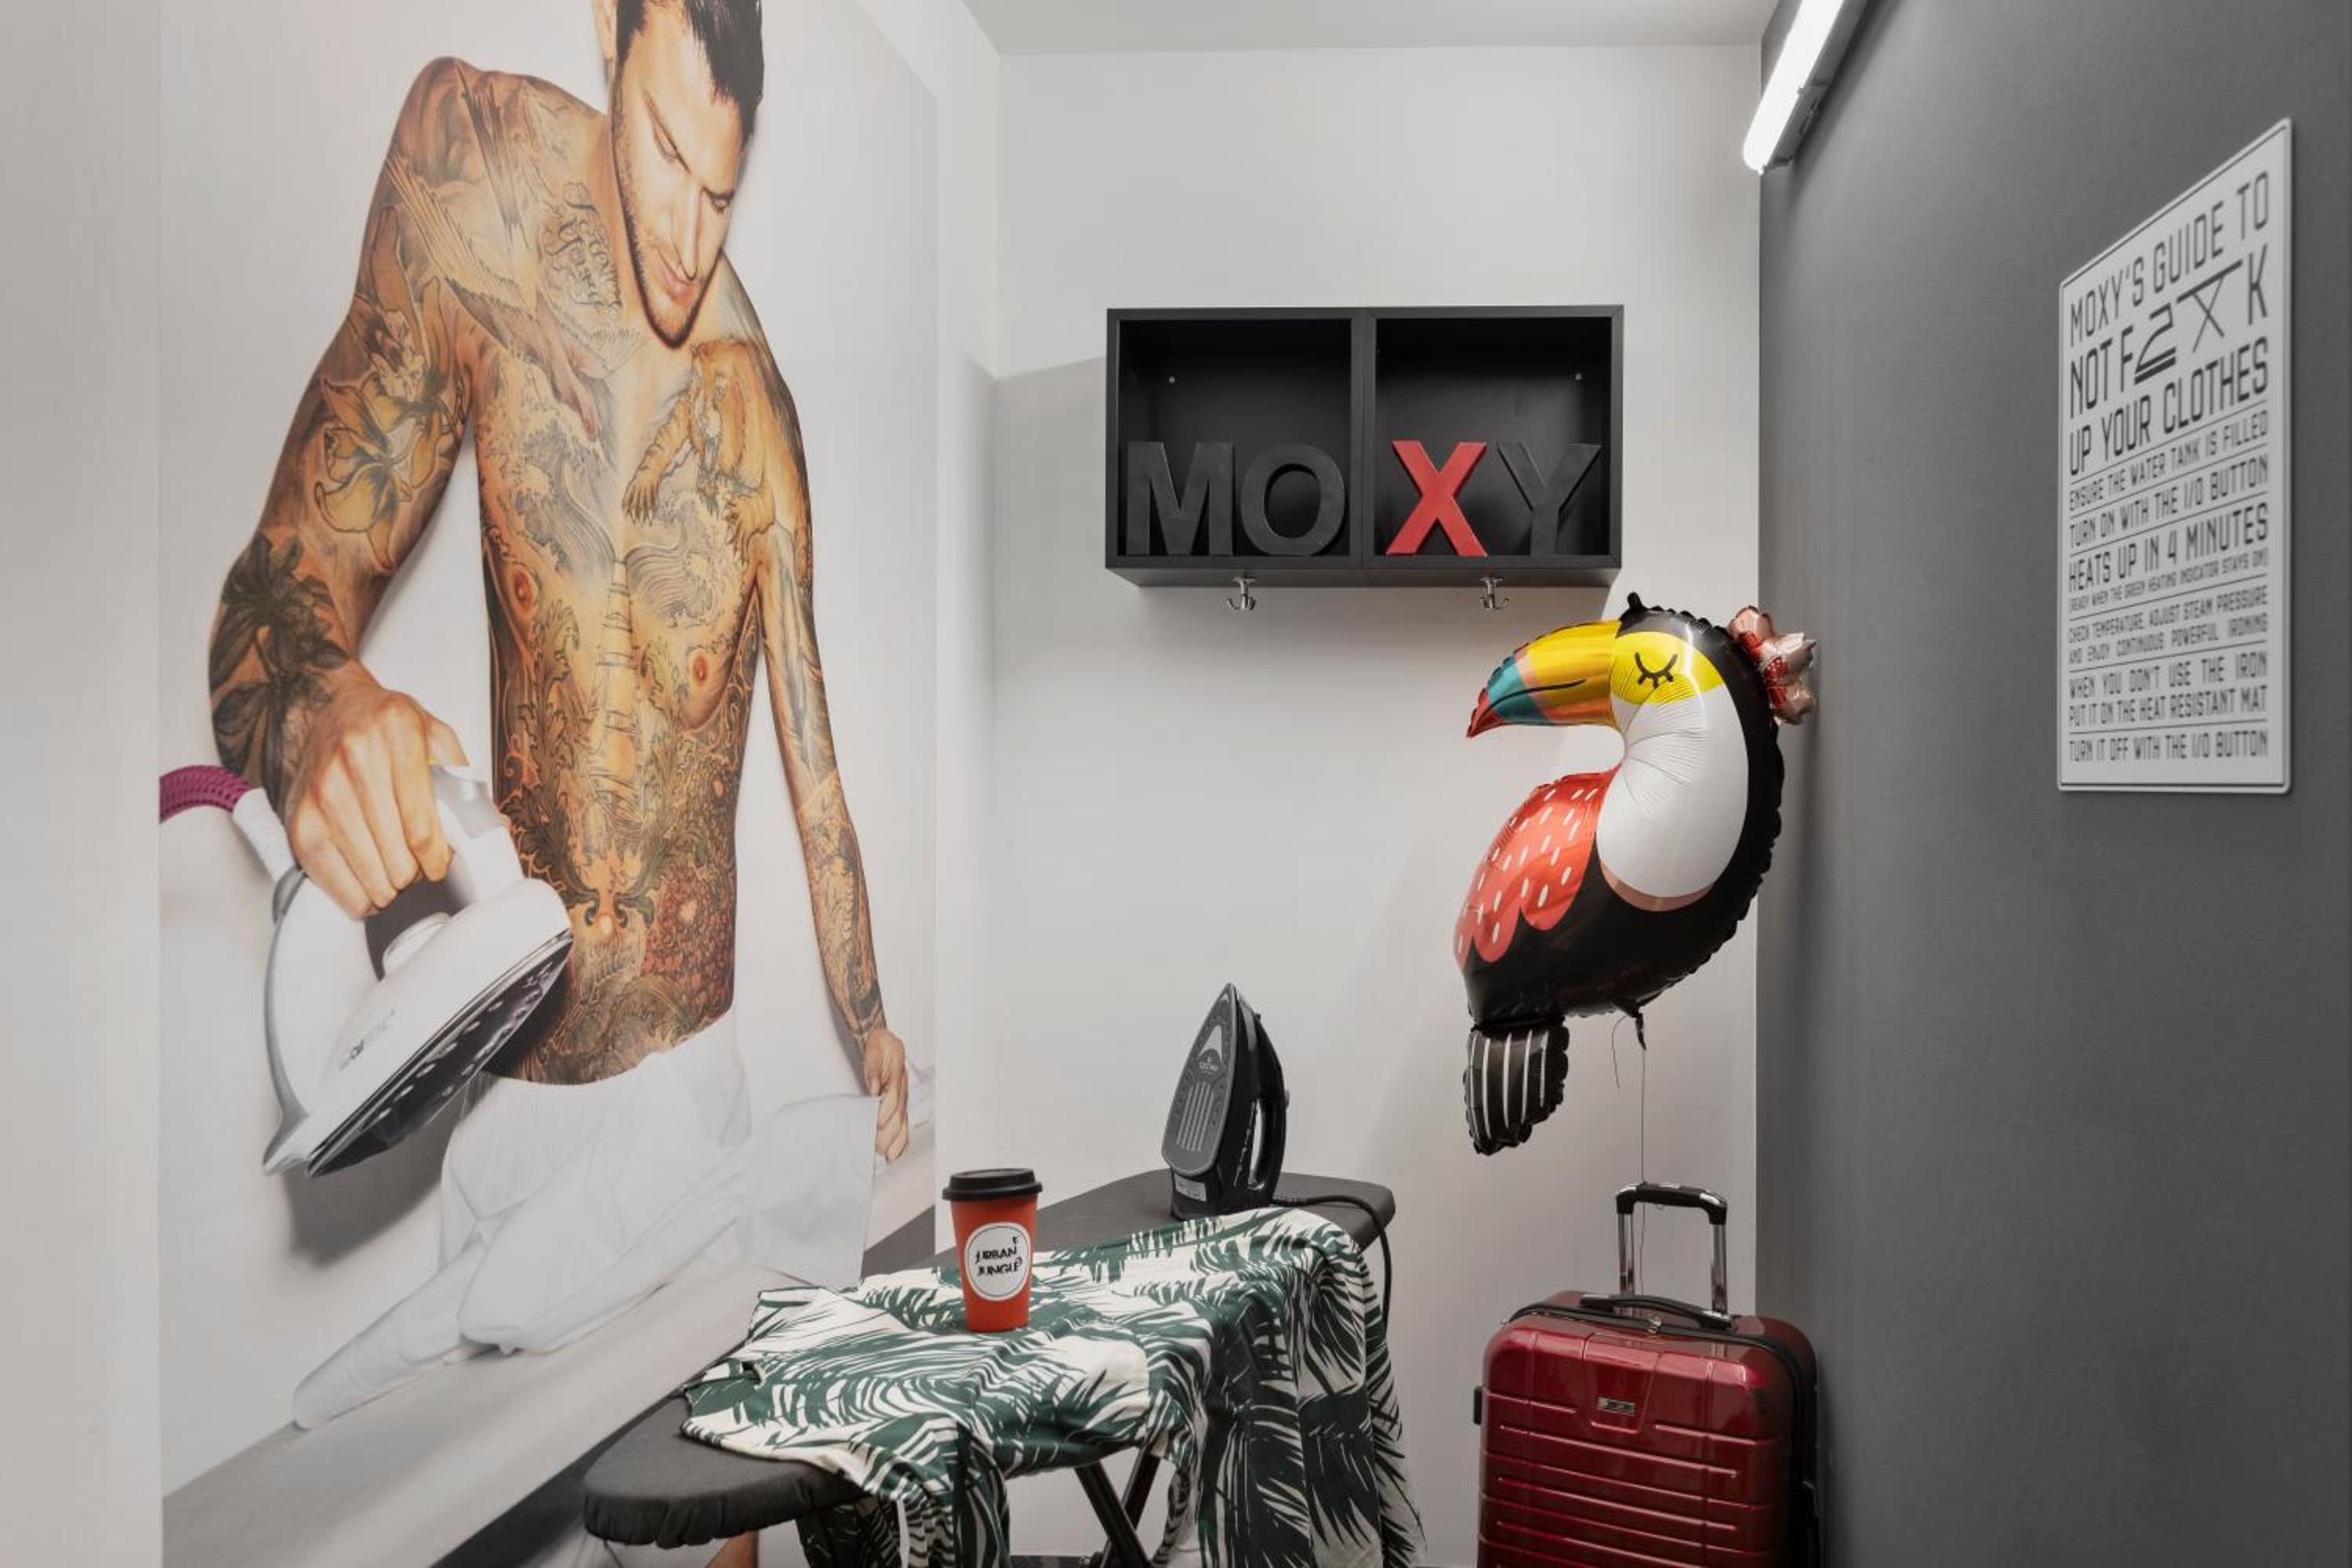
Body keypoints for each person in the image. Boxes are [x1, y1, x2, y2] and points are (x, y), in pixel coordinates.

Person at [205, 3, 905, 1562]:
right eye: (664, 152)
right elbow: (274, 594)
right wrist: (319, 708)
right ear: (609, 28)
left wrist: (871, 1021)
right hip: (515, 1098)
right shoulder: (475, 187)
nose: (691, 235)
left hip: (688, 1087)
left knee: (707, 1521)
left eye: (724, 190)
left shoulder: (756, 418)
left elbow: (818, 773)